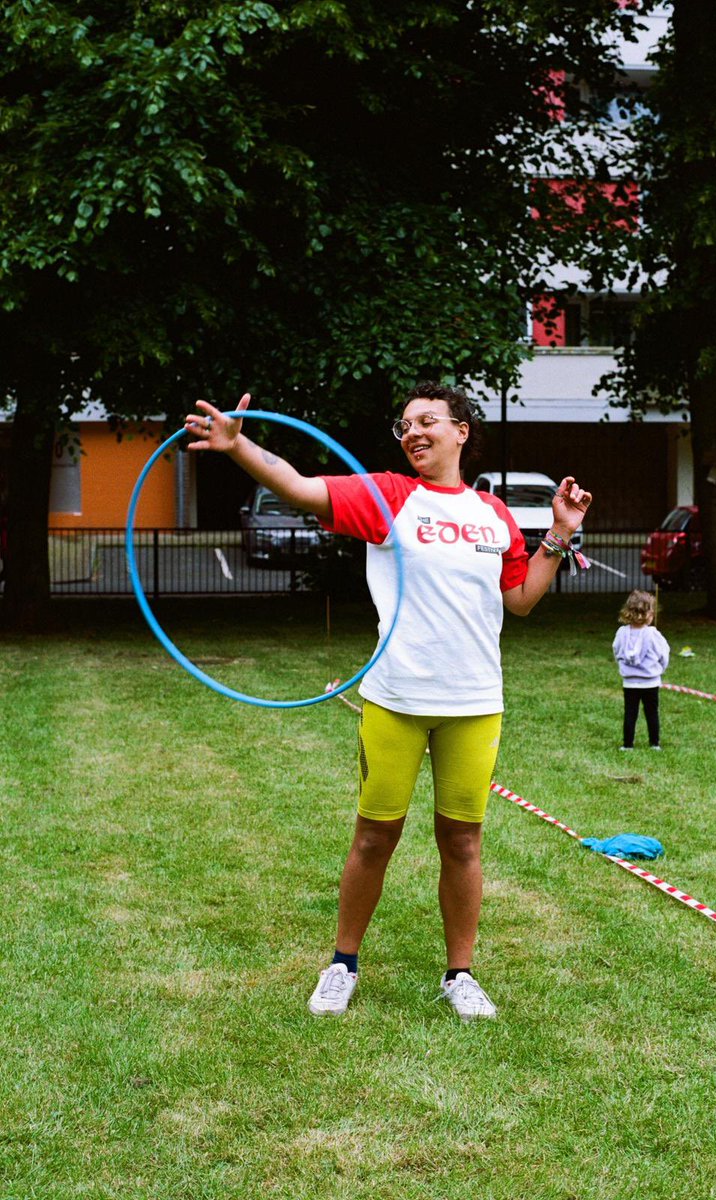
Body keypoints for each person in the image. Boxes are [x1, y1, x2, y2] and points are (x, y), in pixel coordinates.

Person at [185, 382, 591, 1021]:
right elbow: (298, 485)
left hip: (475, 701)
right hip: (396, 698)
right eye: (405, 426)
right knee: (375, 839)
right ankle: (342, 963)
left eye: (428, 421)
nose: (414, 433)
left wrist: (560, 535)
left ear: (462, 431)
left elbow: (521, 599)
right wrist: (240, 448)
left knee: (463, 842)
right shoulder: (388, 497)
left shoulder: (495, 514)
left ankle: (460, 974)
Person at [612, 589, 670, 751]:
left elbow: (616, 651)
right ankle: (654, 743)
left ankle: (628, 745)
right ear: (649, 614)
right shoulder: (654, 635)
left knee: (630, 713)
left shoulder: (622, 633)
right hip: (650, 681)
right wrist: (660, 670)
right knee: (652, 713)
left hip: (630, 682)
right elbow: (664, 654)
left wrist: (623, 667)